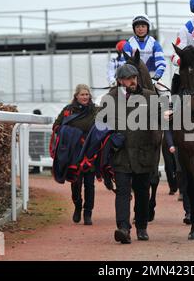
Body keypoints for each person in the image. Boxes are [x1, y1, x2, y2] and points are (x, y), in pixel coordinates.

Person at [103, 64, 160, 244]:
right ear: (120, 81)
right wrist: (111, 136)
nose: (133, 81)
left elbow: (159, 121)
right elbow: (100, 124)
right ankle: (123, 228)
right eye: (129, 78)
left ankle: (141, 227)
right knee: (123, 193)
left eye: (134, 77)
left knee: (143, 193)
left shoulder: (150, 97)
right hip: (121, 154)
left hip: (144, 153)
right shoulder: (110, 98)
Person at [53, 84, 98, 225]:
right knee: (76, 183)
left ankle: (88, 212)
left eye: (87, 94)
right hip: (74, 152)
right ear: (76, 96)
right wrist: (71, 133)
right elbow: (56, 126)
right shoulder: (68, 111)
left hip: (90, 151)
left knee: (90, 184)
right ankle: (78, 206)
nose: (85, 97)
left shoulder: (96, 111)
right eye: (82, 94)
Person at [123, 14, 166, 81]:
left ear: (147, 28)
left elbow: (161, 63)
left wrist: (158, 75)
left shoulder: (154, 44)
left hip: (152, 76)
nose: (140, 29)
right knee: (120, 90)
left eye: (143, 26)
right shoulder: (128, 44)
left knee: (163, 91)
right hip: (133, 77)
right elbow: (123, 64)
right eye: (137, 27)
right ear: (134, 29)